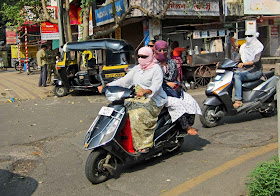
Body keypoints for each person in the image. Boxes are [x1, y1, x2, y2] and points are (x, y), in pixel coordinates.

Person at [98, 46, 167, 153]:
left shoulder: (156, 69)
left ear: (150, 56)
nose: (140, 58)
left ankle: (143, 144)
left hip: (153, 99)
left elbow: (156, 86)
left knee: (137, 114)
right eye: (139, 56)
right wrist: (107, 86)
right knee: (117, 110)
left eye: (144, 56)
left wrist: (146, 91)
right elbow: (124, 81)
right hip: (136, 97)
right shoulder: (137, 68)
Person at [154, 40, 201, 135]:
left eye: (164, 50)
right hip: (159, 92)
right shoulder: (152, 64)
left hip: (172, 89)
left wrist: (173, 84)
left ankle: (187, 124)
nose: (162, 52)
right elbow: (153, 80)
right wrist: (166, 84)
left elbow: (173, 76)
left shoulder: (172, 62)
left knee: (190, 100)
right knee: (176, 103)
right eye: (160, 50)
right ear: (155, 51)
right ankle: (186, 127)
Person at [233, 30, 264, 109]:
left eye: (250, 36)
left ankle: (238, 100)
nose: (247, 38)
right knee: (230, 75)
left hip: (255, 71)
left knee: (237, 76)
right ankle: (228, 98)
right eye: (246, 36)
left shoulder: (258, 46)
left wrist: (244, 63)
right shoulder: (243, 47)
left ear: (254, 36)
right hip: (244, 71)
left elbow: (256, 60)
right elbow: (236, 60)